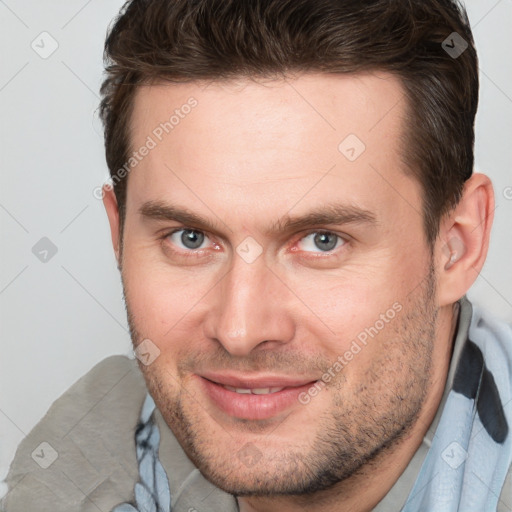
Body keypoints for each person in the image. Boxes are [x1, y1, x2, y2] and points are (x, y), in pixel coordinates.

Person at [2, 0, 511, 510]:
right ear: (118, 237)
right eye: (190, 238)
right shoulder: (88, 450)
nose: (240, 332)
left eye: (321, 240)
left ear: (456, 246)